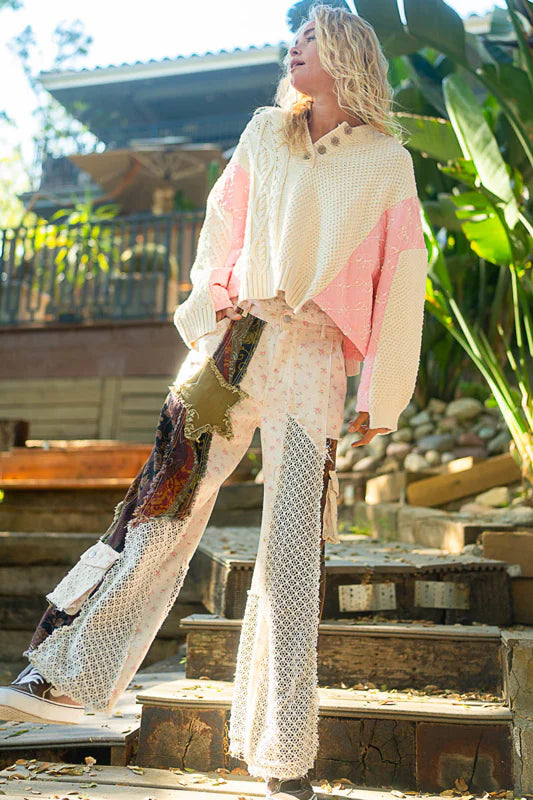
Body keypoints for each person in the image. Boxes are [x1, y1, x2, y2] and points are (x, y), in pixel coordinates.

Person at [0, 5, 429, 799]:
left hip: (314, 357)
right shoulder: (265, 132)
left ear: (346, 54)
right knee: (161, 511)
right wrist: (210, 305)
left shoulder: (385, 161)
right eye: (294, 38)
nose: (295, 48)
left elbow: (403, 276)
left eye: (311, 38)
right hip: (236, 342)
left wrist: (384, 391)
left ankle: (283, 755)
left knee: (292, 553)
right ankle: (65, 675)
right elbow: (220, 225)